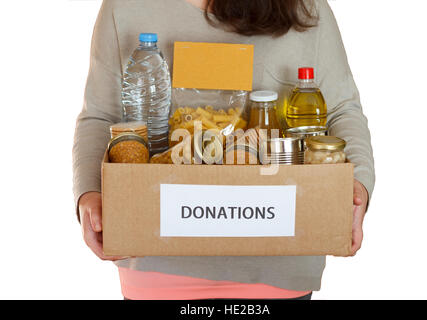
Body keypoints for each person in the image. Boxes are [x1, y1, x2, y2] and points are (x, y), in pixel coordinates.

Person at [73, 0, 375, 300]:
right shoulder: (126, 6)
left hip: (279, 256)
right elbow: (100, 117)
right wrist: (89, 195)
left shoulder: (306, 7)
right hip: (156, 257)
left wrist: (357, 183)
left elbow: (341, 110)